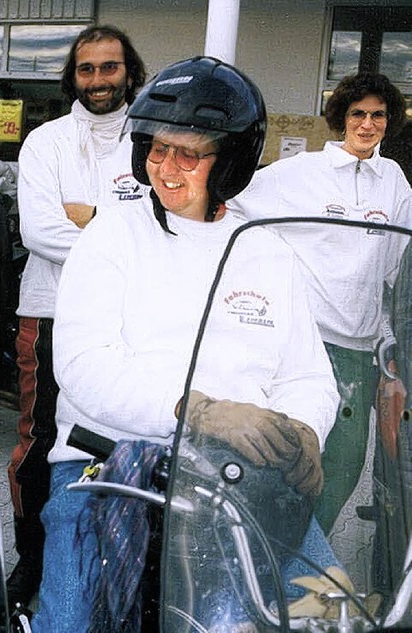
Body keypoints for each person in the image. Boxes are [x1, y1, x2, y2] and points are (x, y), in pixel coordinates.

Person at [31, 56, 339, 633]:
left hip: (242, 478)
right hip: (108, 466)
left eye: (189, 154)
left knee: (331, 612)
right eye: (156, 149)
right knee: (68, 622)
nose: (167, 168)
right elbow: (82, 365)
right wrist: (199, 411)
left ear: (230, 163)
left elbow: (307, 375)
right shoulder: (111, 236)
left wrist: (303, 432)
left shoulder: (266, 251)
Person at [228, 72, 411, 535]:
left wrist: (388, 336)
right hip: (306, 341)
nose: (367, 125)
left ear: (389, 122)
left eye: (378, 115)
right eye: (358, 114)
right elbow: (232, 202)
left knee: (344, 467)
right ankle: (275, 558)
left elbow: (394, 268)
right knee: (290, 458)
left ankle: (306, 559)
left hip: (358, 350)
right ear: (341, 118)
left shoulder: (394, 182)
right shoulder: (300, 172)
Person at [6, 24, 147, 608]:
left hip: (133, 314)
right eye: (86, 69)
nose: (98, 80)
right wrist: (126, 227)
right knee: (42, 442)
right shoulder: (45, 141)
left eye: (109, 68)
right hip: (50, 311)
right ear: (73, 76)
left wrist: (87, 216)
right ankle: (33, 562)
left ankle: (122, 559)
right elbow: (39, 231)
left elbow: (171, 223)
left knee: (126, 436)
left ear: (129, 72)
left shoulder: (153, 137)